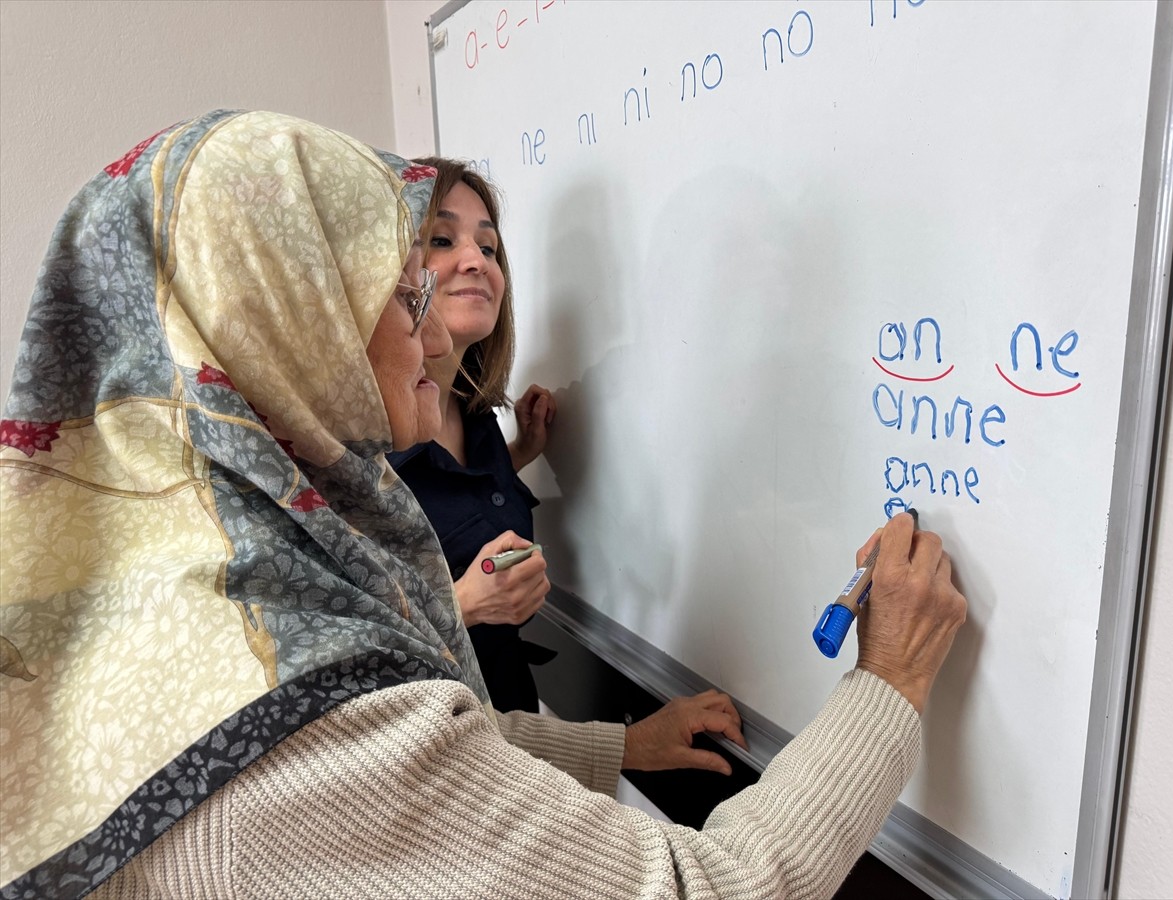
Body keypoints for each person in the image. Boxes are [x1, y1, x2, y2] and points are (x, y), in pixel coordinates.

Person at [0, 111, 967, 899]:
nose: (427, 340)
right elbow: (706, 889)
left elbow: (444, 747)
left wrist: (622, 742)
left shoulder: (182, 590)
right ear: (285, 320)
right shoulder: (298, 721)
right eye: (399, 295)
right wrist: (891, 677)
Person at [385, 157, 558, 713]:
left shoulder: (472, 408)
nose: (474, 261)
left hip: (521, 729)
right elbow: (348, 649)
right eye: (440, 239)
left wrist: (518, 456)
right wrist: (462, 604)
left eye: (488, 248)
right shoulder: (361, 442)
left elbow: (448, 495)